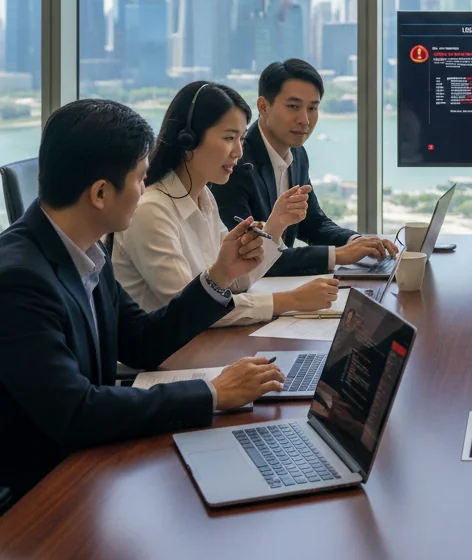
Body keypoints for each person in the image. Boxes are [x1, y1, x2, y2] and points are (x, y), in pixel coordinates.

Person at [0, 99, 285, 502]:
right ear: (100, 193)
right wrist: (213, 394)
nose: (143, 190)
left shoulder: (85, 250)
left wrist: (220, 276)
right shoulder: (18, 280)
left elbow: (142, 341)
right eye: (139, 178)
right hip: (38, 493)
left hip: (88, 466)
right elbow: (76, 412)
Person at [113, 81, 341, 324]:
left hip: (196, 347)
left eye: (242, 139)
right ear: (188, 139)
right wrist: (291, 300)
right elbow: (191, 308)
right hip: (159, 358)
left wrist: (276, 225)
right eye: (229, 137)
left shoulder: (204, 198)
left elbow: (235, 281)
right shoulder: (151, 210)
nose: (238, 152)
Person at [210, 59, 396, 277]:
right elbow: (247, 254)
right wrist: (338, 255)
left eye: (312, 108)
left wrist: (357, 242)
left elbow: (313, 223)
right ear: (263, 106)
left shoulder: (297, 154)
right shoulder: (235, 163)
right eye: (293, 107)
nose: (305, 120)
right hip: (247, 293)